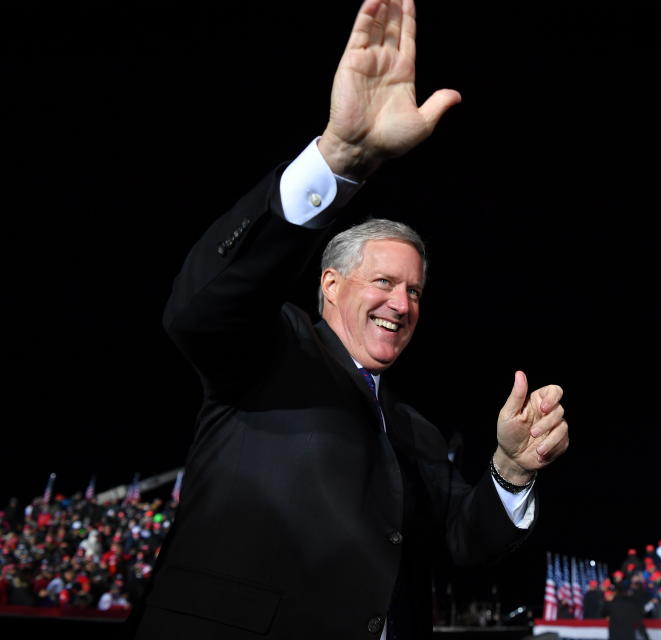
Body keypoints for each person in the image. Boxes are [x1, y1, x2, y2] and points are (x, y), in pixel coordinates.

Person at [127, 1, 570, 638]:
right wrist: (340, 156)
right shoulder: (268, 351)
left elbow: (465, 547)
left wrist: (512, 470)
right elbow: (201, 309)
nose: (401, 304)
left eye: (415, 292)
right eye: (385, 282)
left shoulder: (415, 433)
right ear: (330, 285)